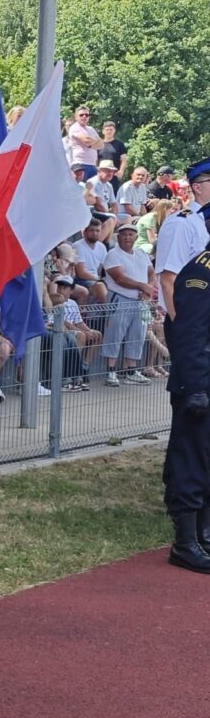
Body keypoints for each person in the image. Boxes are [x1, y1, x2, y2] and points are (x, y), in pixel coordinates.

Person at [162, 231, 210, 572]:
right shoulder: (201, 273)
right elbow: (188, 333)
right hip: (199, 382)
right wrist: (195, 386)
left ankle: (205, 536)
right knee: (190, 461)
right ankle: (185, 543)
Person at [101, 219, 156, 386]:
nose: (127, 237)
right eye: (124, 234)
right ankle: (111, 372)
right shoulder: (113, 254)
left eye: (130, 234)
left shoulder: (141, 253)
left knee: (137, 335)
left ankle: (132, 370)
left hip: (139, 301)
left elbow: (151, 274)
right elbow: (119, 278)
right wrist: (142, 286)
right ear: (118, 237)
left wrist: (148, 289)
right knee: (114, 334)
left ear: (136, 237)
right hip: (120, 299)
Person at [157, 159, 210, 324]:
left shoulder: (203, 221)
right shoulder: (181, 222)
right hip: (191, 321)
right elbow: (168, 279)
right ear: (197, 187)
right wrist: (181, 327)